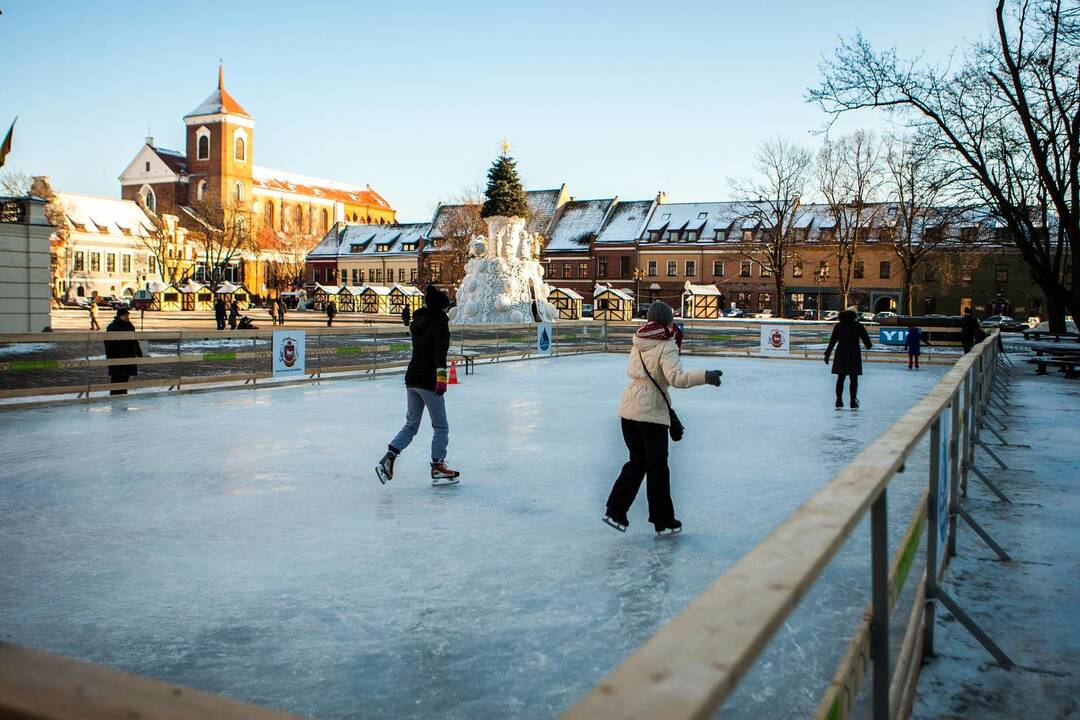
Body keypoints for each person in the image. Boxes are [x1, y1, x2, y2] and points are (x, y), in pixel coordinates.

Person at [603, 301, 722, 537]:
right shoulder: (666, 344)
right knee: (657, 468)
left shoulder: (639, 341)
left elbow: (652, 382)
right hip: (650, 416)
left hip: (629, 410)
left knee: (637, 463)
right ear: (668, 321)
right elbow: (676, 378)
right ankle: (663, 520)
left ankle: (615, 510)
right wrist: (705, 377)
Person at [376, 284, 460, 486]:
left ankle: (389, 457)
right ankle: (438, 466)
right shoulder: (440, 324)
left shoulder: (419, 321)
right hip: (428, 379)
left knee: (411, 424)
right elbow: (439, 353)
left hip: (412, 377)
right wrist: (441, 377)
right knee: (441, 426)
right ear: (441, 308)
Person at [824, 307, 873, 410]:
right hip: (853, 354)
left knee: (840, 378)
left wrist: (827, 354)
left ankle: (838, 400)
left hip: (841, 354)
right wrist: (868, 345)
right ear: (854, 315)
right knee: (853, 379)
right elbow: (867, 341)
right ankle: (852, 401)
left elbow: (832, 341)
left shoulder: (838, 326)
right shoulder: (858, 325)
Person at [104, 307, 142, 396]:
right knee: (116, 379)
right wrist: (110, 357)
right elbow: (108, 343)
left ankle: (123, 395)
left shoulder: (129, 325)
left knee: (125, 378)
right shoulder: (112, 327)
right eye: (126, 315)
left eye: (127, 315)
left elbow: (134, 340)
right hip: (117, 356)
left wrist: (139, 353)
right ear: (121, 315)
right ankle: (114, 396)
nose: (127, 316)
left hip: (129, 355)